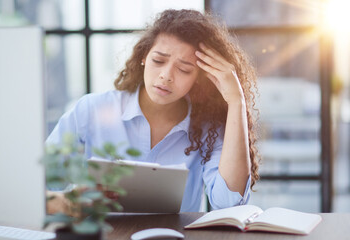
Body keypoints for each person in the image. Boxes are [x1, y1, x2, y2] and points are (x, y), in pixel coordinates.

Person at [47, 9, 259, 212]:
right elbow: (39, 183)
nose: (166, 75)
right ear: (143, 57)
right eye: (158, 60)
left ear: (199, 78)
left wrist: (236, 101)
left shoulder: (209, 127)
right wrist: (69, 202)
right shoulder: (91, 109)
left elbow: (229, 203)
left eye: (184, 69)